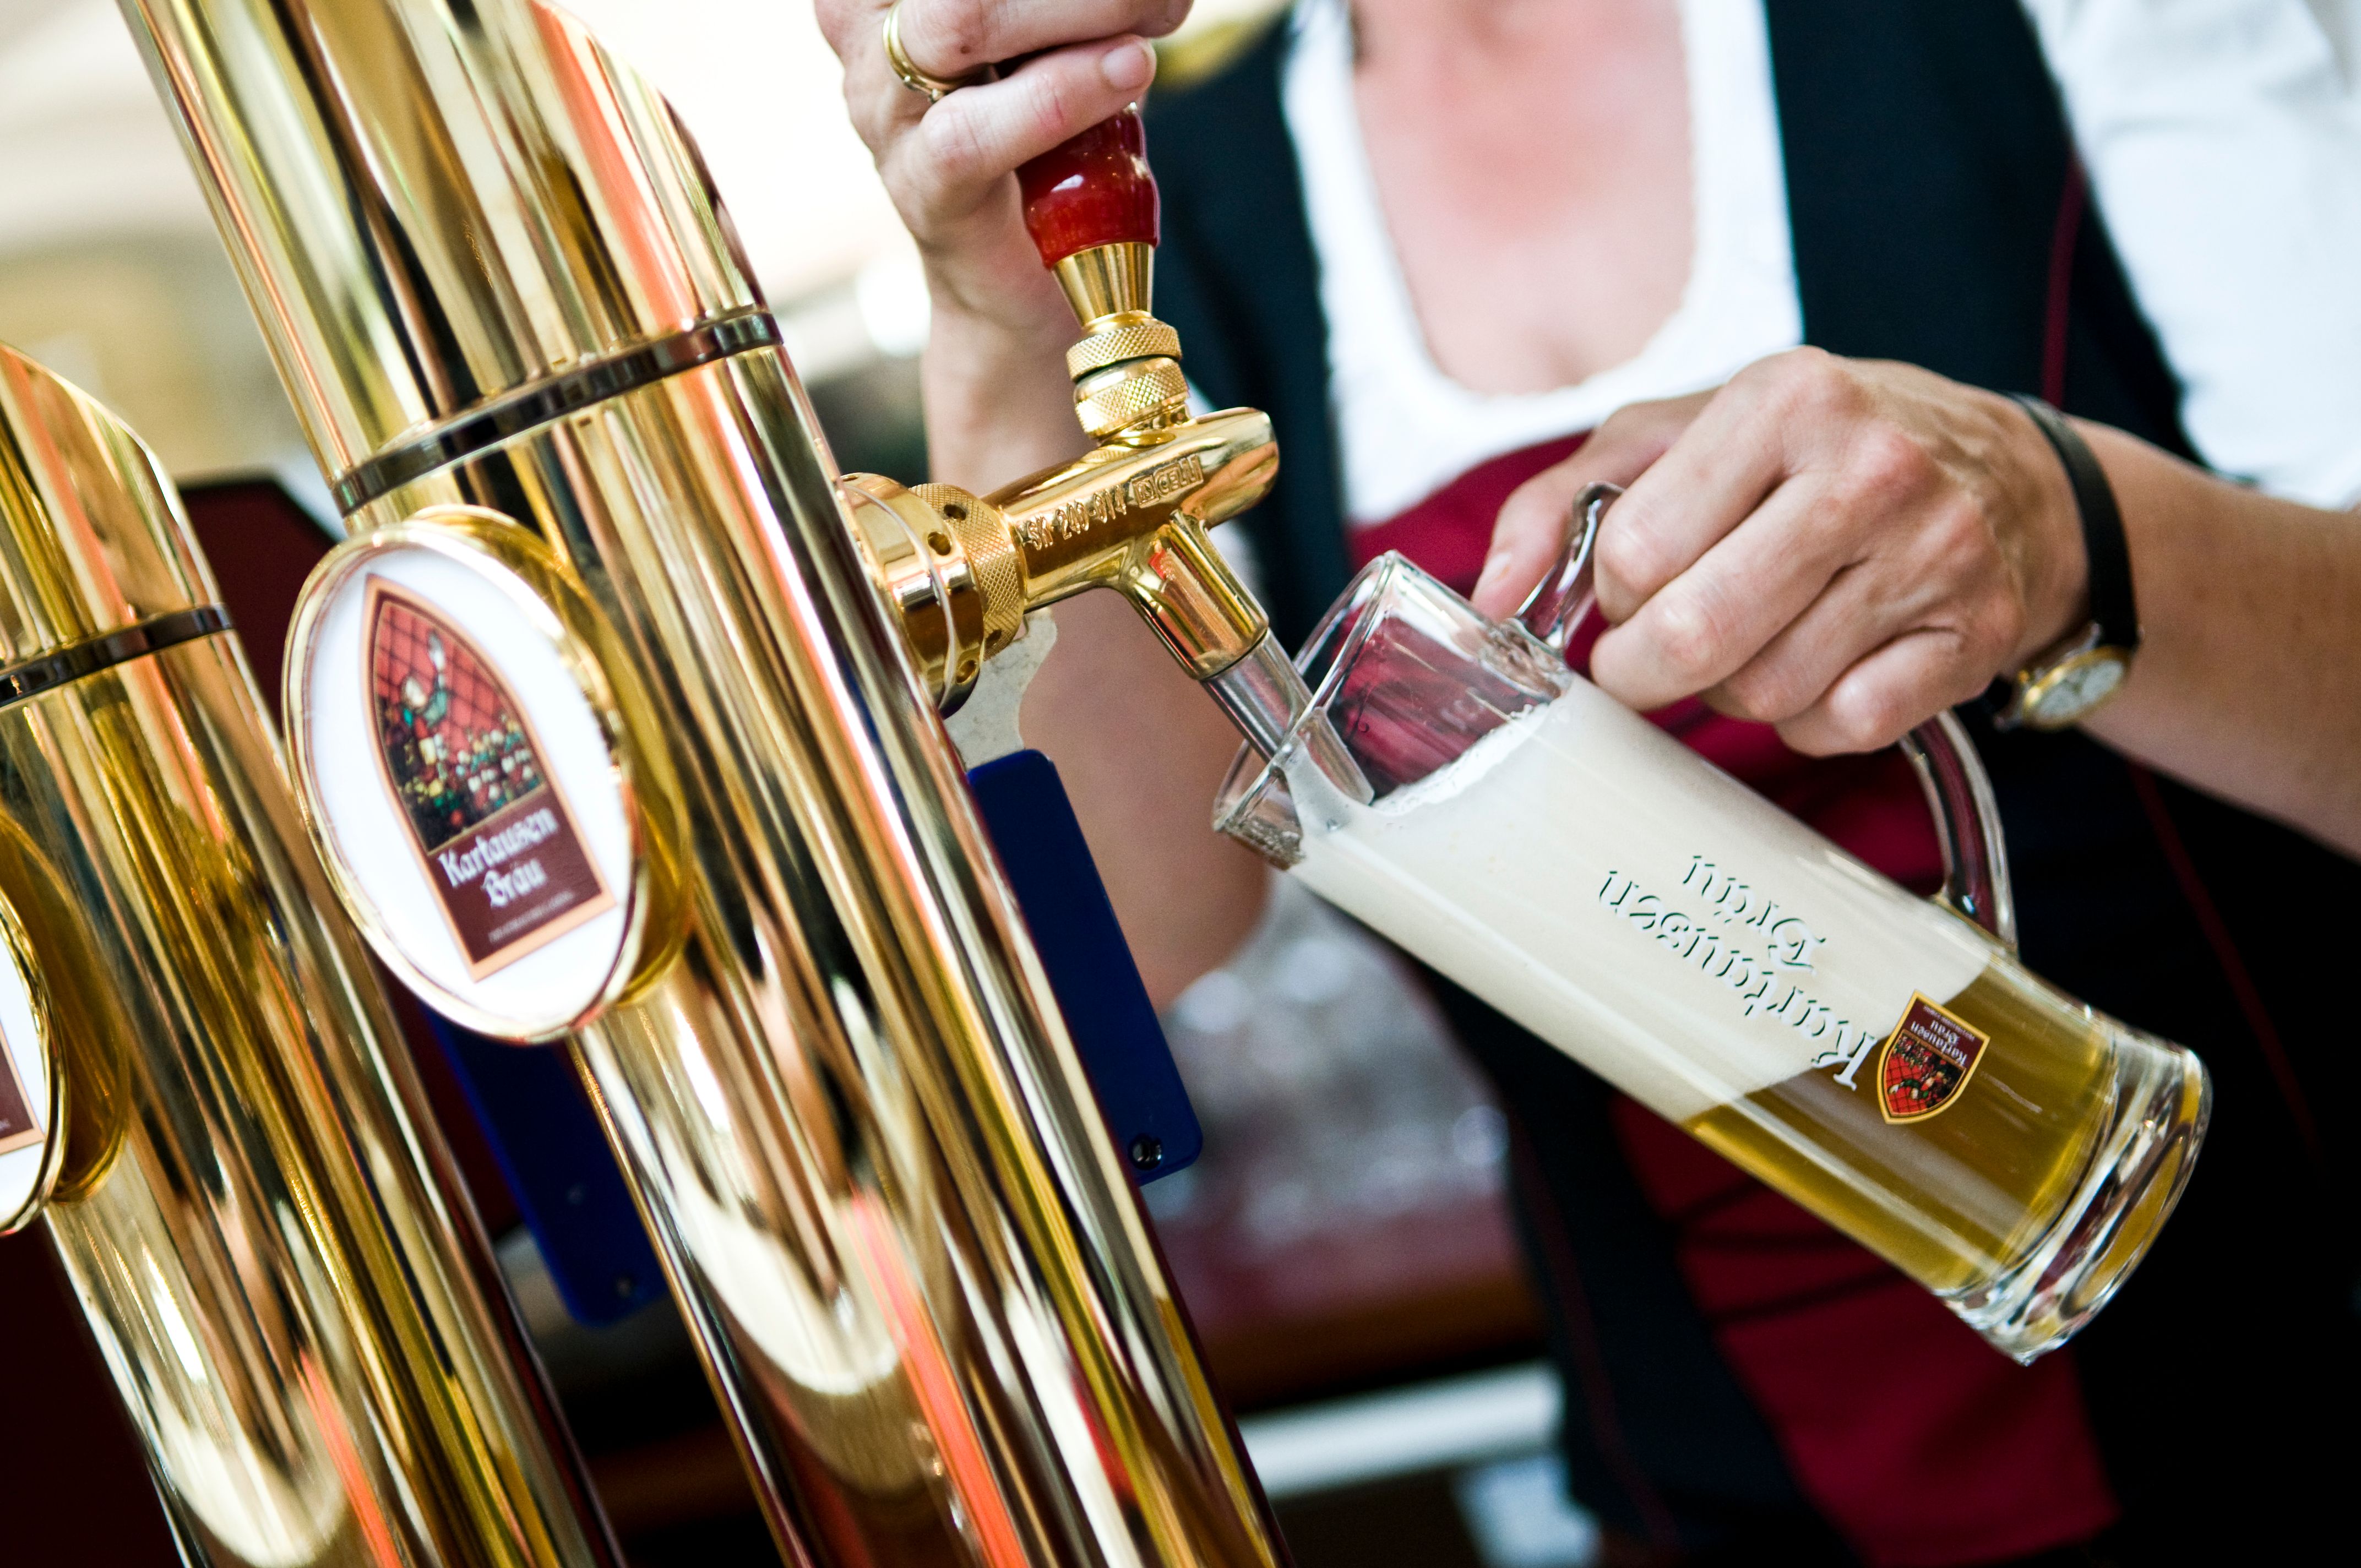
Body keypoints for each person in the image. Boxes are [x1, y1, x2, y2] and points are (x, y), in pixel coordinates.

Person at [815, 1, 2361, 1560]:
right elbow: (1140, 932)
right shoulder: (1170, 197)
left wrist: (2062, 525)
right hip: (1705, 1506)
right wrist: (1001, 322)